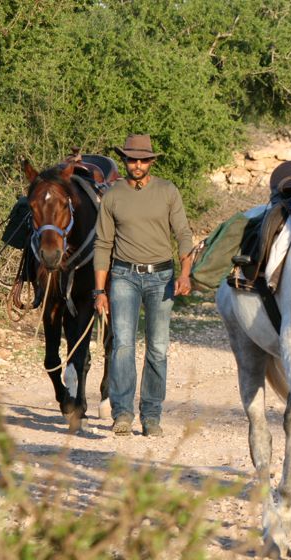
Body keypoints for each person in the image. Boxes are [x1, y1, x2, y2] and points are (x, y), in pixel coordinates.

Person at [93, 134, 194, 437]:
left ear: (151, 162)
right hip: (123, 275)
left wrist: (185, 273)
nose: (137, 165)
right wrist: (99, 291)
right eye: (132, 159)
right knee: (122, 344)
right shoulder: (113, 195)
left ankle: (151, 416)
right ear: (124, 160)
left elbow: (184, 234)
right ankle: (122, 413)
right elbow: (102, 244)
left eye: (143, 160)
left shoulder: (167, 191)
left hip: (161, 277)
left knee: (158, 348)